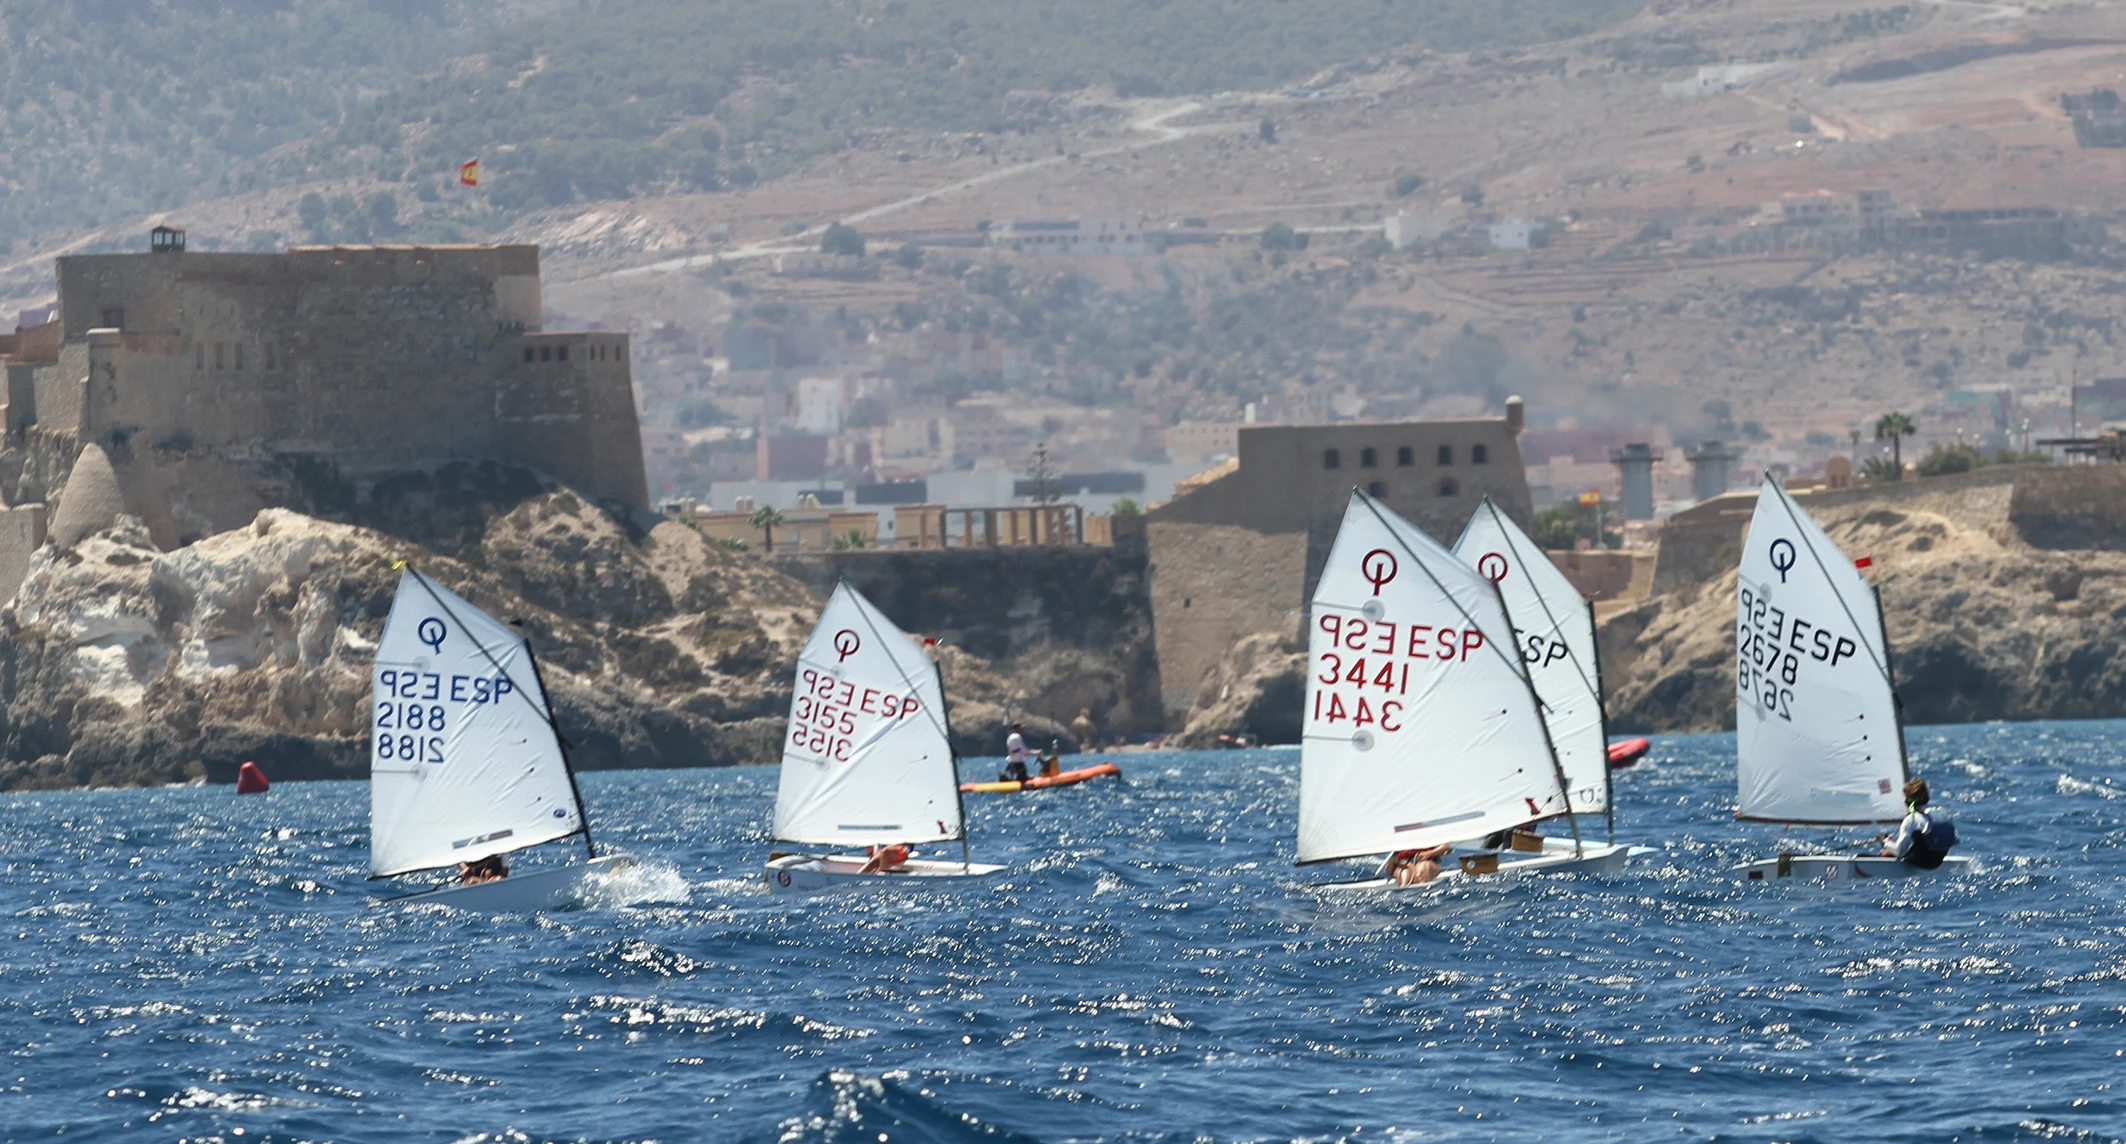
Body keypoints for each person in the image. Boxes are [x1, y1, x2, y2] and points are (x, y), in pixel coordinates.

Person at [1880, 777, 1958, 869]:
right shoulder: (1941, 812)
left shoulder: (1911, 819)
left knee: (1885, 854)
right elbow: (1955, 839)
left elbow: (1900, 850)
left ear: (1908, 801)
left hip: (1921, 862)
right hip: (1938, 861)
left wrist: (1885, 841)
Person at [1384, 844, 1454, 887]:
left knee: (1420, 874)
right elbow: (1389, 871)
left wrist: (1429, 854)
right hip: (1404, 862)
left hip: (1426, 860)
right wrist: (1393, 861)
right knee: (1404, 876)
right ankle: (1404, 896)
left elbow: (1446, 847)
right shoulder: (1398, 845)